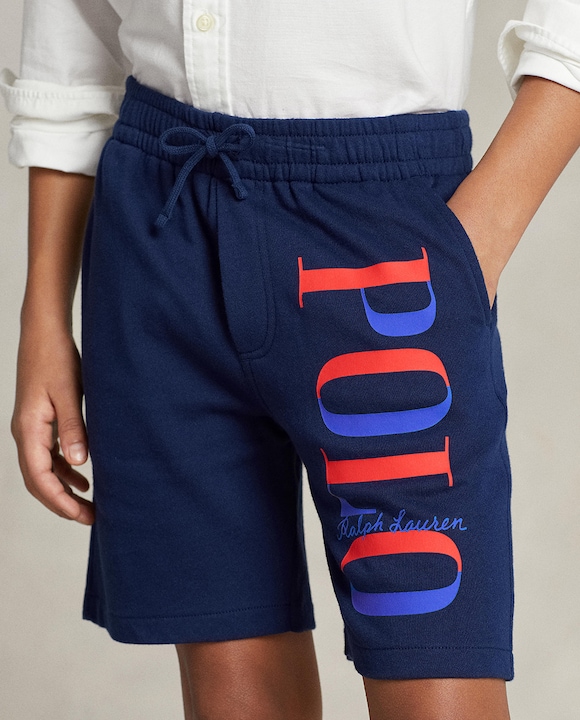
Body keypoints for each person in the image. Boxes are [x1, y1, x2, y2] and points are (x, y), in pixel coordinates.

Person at [2, 2, 580, 718]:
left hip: (382, 245)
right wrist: (43, 314)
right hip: (159, 224)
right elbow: (71, 32)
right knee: (230, 688)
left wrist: (479, 235)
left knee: (436, 670)